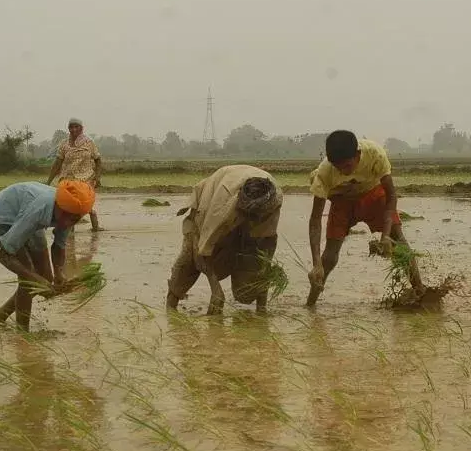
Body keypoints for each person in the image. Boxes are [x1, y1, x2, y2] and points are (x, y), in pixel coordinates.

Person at [307, 130, 423, 307]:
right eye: (337, 167)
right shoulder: (323, 173)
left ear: (358, 155)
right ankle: (310, 303)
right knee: (329, 257)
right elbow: (315, 220)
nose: (342, 171)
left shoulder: (375, 154)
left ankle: (420, 292)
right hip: (341, 200)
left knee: (398, 240)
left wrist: (385, 236)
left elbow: (391, 195)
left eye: (346, 166)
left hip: (373, 194)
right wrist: (316, 263)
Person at [166, 165, 283, 315]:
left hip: (249, 196)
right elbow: (201, 250)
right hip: (214, 195)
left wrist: (262, 309)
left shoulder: (273, 202)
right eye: (249, 217)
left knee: (247, 287)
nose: (252, 223)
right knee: (188, 262)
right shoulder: (220, 208)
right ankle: (170, 308)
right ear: (241, 208)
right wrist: (215, 289)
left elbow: (265, 252)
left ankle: (254, 300)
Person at [0, 180, 95, 330]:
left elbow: (59, 246)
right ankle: (23, 333)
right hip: (6, 212)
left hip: (27, 209)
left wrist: (59, 273)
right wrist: (32, 276)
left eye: (75, 219)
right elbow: (4, 255)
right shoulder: (39, 211)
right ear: (58, 207)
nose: (68, 222)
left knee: (45, 277)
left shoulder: (70, 214)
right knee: (28, 279)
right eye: (67, 216)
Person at [46, 118, 102, 231]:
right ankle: (69, 233)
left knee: (84, 204)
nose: (73, 129)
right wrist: (48, 181)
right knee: (68, 206)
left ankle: (95, 228)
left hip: (85, 179)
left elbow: (98, 160)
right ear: (68, 129)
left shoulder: (89, 143)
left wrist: (98, 177)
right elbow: (57, 163)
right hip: (68, 180)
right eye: (71, 127)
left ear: (81, 128)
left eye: (76, 127)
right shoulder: (64, 144)